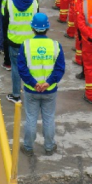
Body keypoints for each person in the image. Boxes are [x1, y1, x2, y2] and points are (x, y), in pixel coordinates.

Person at [18, 13, 65, 155]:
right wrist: (48, 83)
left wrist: (33, 83)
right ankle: (49, 147)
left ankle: (28, 147)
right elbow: (60, 68)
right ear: (47, 28)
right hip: (49, 90)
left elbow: (22, 68)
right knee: (49, 118)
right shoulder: (56, 46)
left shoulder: (26, 45)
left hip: (31, 90)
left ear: (32, 28)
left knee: (31, 118)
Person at [4, 0, 39, 103]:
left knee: (16, 68)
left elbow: (5, 24)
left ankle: (16, 95)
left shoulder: (9, 4)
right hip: (31, 42)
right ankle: (33, 92)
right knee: (31, 67)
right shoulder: (35, 2)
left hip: (15, 42)